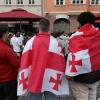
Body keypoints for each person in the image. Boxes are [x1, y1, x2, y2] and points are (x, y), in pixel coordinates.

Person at [17, 19, 69, 100]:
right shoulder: (55, 43)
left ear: (39, 27)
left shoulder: (30, 42)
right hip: (51, 79)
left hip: (35, 78)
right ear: (49, 27)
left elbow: (24, 62)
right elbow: (61, 62)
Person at [65, 12, 100, 100]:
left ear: (80, 22)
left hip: (81, 77)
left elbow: (72, 56)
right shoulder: (99, 33)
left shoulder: (75, 37)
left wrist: (69, 74)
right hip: (96, 75)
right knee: (93, 94)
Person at [0, 28, 20, 100]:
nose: (8, 36)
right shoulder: (6, 48)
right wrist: (19, 57)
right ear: (4, 34)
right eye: (7, 33)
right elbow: (16, 64)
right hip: (8, 80)